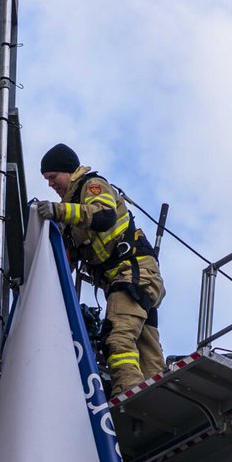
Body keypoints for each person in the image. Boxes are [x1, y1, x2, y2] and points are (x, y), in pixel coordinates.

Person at [35, 143, 166, 397]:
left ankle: (130, 396)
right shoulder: (73, 221)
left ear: (68, 171)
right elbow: (65, 265)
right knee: (147, 353)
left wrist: (57, 211)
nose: (50, 185)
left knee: (117, 339)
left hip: (132, 273)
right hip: (133, 279)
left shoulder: (91, 185)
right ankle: (159, 399)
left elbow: (103, 216)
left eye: (52, 177)